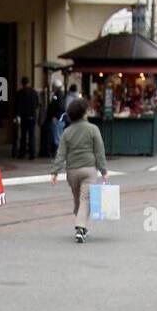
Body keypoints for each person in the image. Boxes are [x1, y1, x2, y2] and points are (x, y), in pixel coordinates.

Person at [49, 95, 109, 243]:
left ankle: (81, 226)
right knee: (85, 199)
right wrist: (103, 171)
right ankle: (80, 228)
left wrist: (55, 172)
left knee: (78, 200)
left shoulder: (67, 132)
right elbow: (99, 152)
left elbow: (61, 153)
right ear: (84, 113)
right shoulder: (93, 129)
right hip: (88, 169)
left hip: (72, 171)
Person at [14, 75, 40, 159]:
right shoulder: (34, 92)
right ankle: (32, 154)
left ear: (22, 83)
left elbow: (17, 106)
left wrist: (18, 115)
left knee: (23, 136)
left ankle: (22, 153)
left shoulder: (19, 93)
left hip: (23, 117)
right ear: (28, 82)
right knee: (32, 135)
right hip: (32, 116)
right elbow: (37, 104)